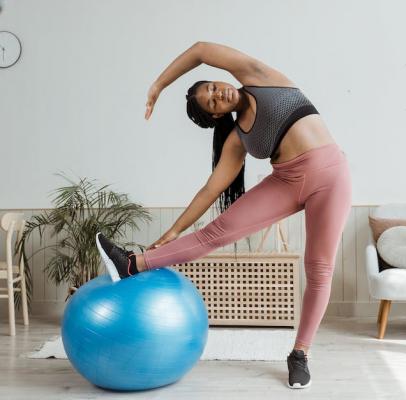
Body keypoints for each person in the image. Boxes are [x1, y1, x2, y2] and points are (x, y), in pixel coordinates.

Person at [95, 41, 352, 389]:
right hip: (287, 182)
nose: (219, 94)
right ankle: (131, 264)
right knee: (214, 233)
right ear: (216, 115)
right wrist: (174, 230)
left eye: (214, 88)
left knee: (319, 269)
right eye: (212, 102)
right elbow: (210, 190)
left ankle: (300, 354)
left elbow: (201, 49)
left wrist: (159, 85)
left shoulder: (260, 77)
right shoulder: (237, 139)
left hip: (331, 177)